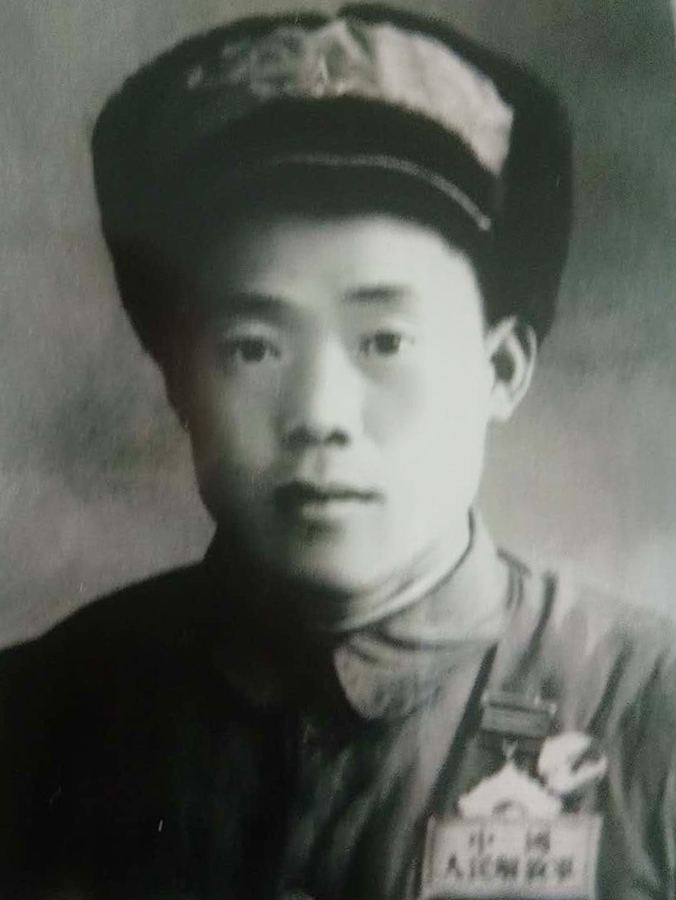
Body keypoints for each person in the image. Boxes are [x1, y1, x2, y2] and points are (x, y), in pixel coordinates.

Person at [1, 5, 674, 899]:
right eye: (254, 348)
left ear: (502, 370)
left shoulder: (648, 718)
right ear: (179, 381)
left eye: (384, 341)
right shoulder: (33, 720)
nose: (320, 415)